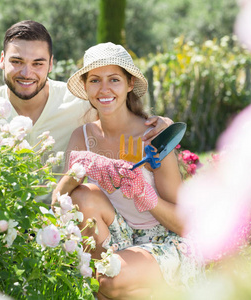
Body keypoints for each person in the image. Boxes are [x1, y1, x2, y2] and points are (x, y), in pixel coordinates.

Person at [52, 43, 204, 299]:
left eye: (114, 80)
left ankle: (163, 290)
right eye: (95, 80)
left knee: (107, 281)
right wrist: (83, 165)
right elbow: (60, 202)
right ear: (86, 86)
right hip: (116, 238)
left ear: (129, 84)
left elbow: (185, 225)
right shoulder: (83, 136)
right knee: (81, 195)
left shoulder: (153, 137)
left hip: (163, 242)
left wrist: (147, 196)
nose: (104, 89)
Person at [0, 20, 172, 202]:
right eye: (17, 61)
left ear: (51, 64)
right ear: (2, 60)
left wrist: (162, 124)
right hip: (1, 219)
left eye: (37, 63)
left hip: (63, 219)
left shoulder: (81, 102)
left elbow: (122, 117)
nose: (26, 73)